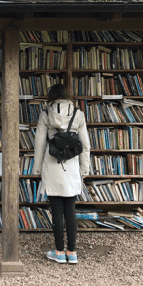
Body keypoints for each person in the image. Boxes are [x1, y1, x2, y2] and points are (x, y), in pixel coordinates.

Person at [32, 83, 90, 265]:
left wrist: (37, 169)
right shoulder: (78, 114)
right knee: (70, 210)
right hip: (71, 165)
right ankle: (72, 253)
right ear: (68, 95)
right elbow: (86, 145)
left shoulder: (46, 114)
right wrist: (84, 169)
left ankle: (58, 251)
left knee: (56, 210)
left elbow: (40, 143)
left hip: (52, 164)